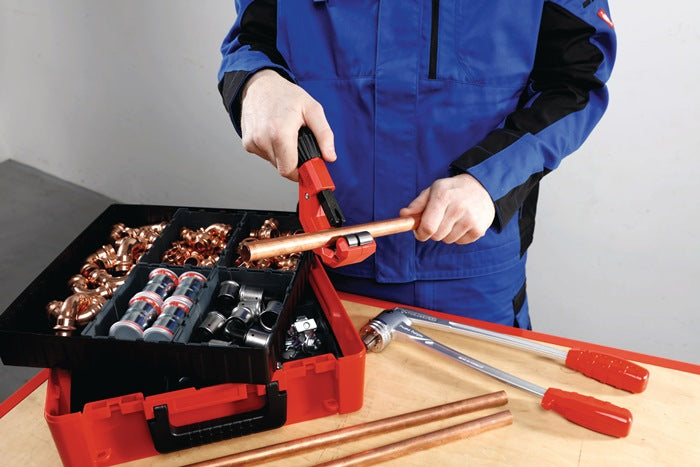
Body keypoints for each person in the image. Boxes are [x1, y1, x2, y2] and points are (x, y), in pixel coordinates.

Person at [218, 1, 616, 329]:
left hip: (472, 275)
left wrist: (490, 179)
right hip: (324, 262)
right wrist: (256, 83)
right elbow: (252, 40)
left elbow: (575, 80)